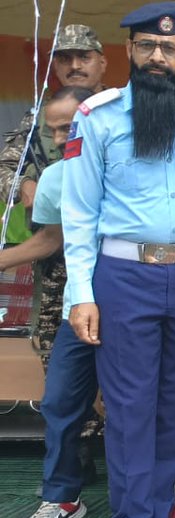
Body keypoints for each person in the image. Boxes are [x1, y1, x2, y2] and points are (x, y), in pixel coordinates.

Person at [62, 1, 175, 518]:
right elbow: (79, 213)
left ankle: (160, 516)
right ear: (127, 52)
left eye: (170, 48)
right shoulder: (97, 117)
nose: (158, 57)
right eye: (146, 47)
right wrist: (80, 292)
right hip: (123, 276)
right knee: (130, 407)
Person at [5, 87, 100, 518]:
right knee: (62, 401)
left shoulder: (122, 166)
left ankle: (158, 486)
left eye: (71, 126)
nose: (64, 137)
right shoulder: (56, 178)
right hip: (75, 308)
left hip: (133, 302)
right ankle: (61, 498)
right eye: (55, 128)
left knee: (139, 402)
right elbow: (49, 239)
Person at [1, 25, 108, 365]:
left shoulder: (121, 109)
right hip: (56, 264)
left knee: (114, 362)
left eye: (83, 56)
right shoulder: (39, 118)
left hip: (113, 259)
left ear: (102, 62)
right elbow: (6, 166)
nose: (74, 65)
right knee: (58, 359)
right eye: (64, 58)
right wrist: (24, 187)